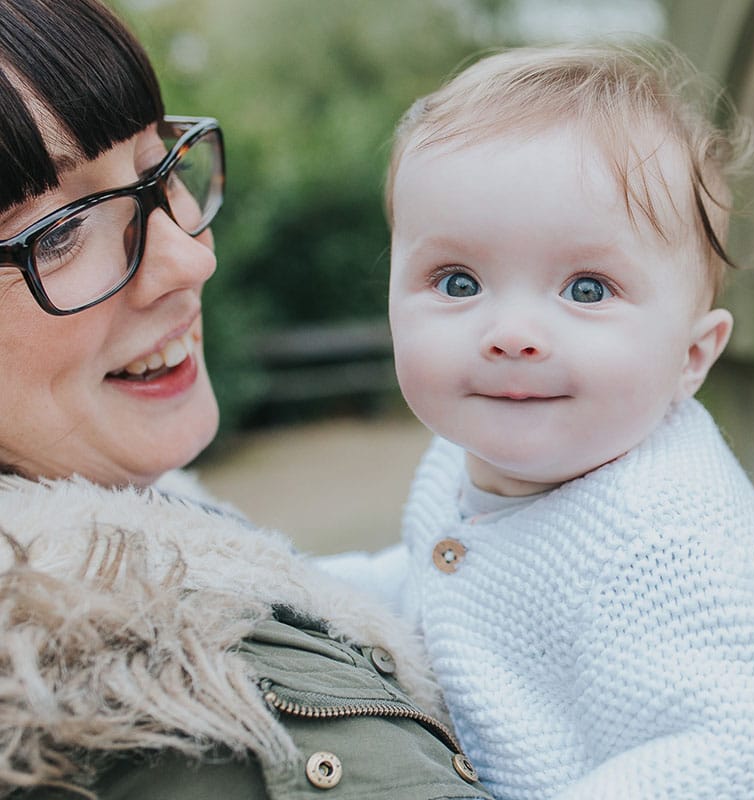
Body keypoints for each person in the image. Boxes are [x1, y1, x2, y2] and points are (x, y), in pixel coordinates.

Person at [0, 1, 491, 797]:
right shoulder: (122, 710)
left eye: (161, 167)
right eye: (58, 230)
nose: (186, 261)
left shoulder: (180, 553)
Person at [323, 42, 754, 799]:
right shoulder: (464, 457)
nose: (513, 331)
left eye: (588, 290)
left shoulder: (669, 546)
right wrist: (293, 587)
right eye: (458, 281)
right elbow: (434, 586)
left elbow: (746, 758)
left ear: (692, 357)